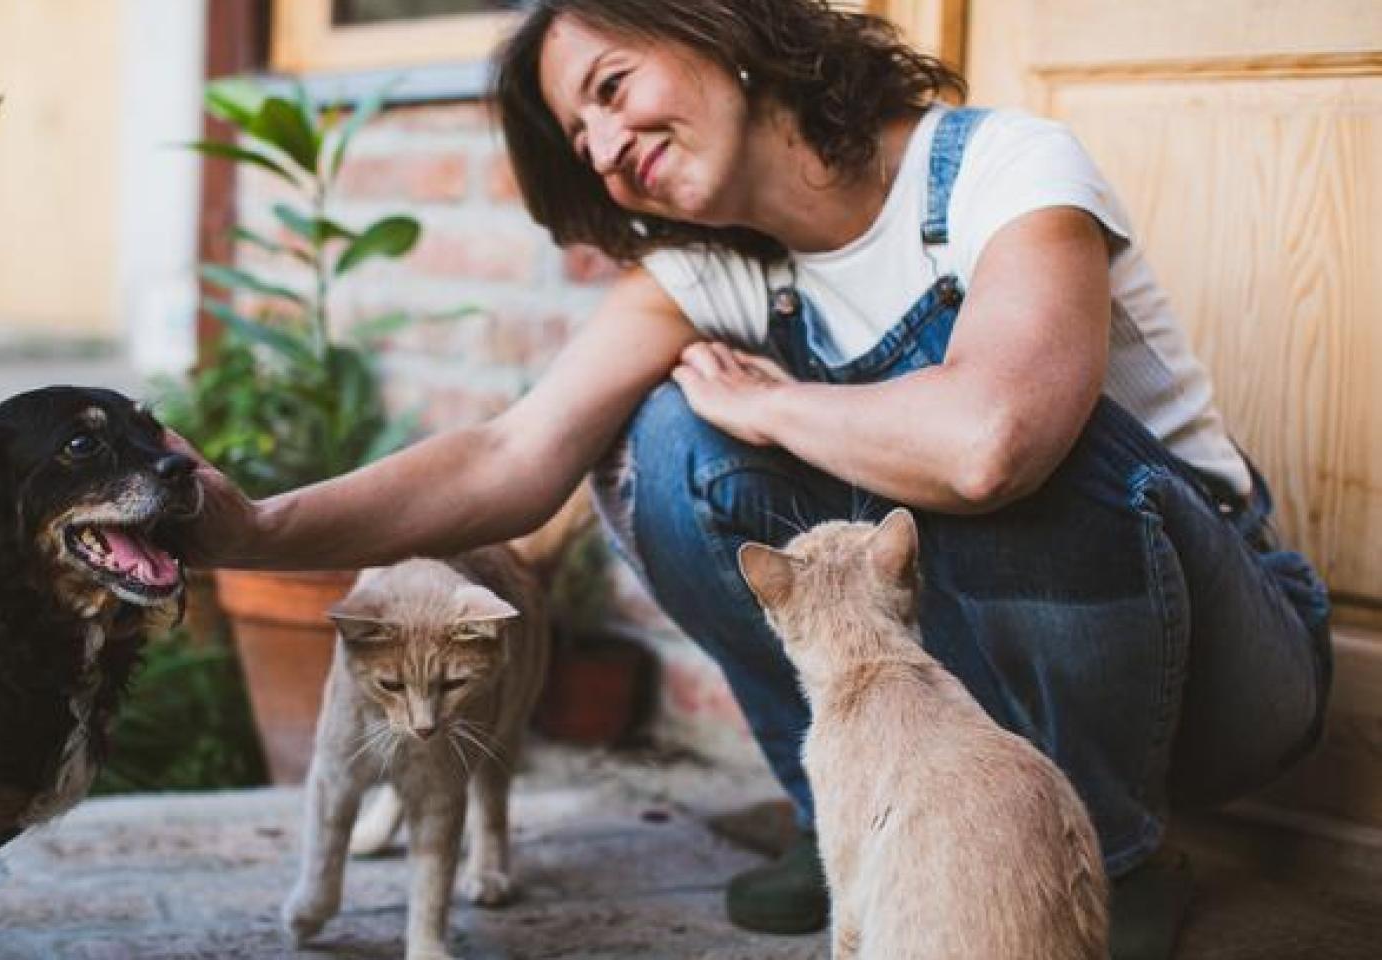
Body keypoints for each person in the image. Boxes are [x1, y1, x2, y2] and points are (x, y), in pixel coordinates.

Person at [170, 2, 1332, 956]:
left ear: (710, 24)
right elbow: (511, 456)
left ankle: (1114, 855)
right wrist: (250, 529)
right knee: (664, 442)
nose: (606, 144)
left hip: (1217, 670)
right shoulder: (714, 273)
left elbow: (991, 441)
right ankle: (840, 809)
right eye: (582, 140)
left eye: (612, 88)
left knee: (1007, 440)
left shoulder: (997, 167)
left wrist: (774, 402)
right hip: (975, 676)